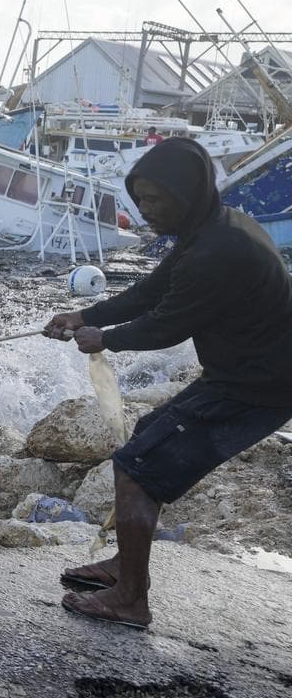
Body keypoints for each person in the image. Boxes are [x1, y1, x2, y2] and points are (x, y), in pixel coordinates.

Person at [44, 137, 292, 629]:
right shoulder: (210, 228)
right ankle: (124, 566)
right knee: (146, 437)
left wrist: (102, 338)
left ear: (189, 192)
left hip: (258, 387)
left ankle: (131, 599)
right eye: (141, 201)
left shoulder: (217, 250)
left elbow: (166, 325)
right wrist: (84, 313)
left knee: (137, 467)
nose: (146, 212)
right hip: (244, 374)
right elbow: (152, 291)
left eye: (156, 200)